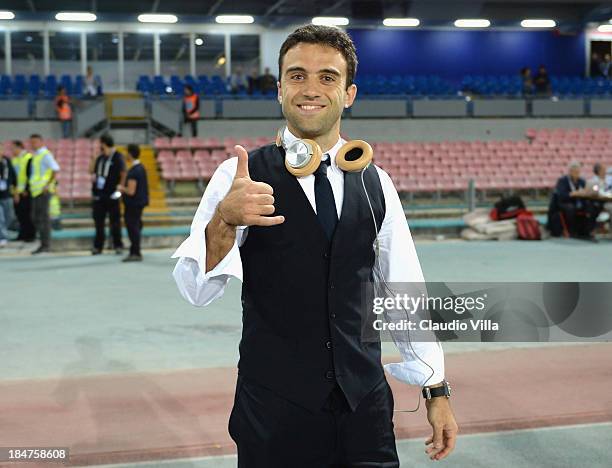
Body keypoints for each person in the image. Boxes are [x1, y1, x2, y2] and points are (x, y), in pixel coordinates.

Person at [172, 24, 457, 466]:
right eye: (297, 75)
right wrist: (223, 222)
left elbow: (404, 291)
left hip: (364, 408)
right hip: (273, 409)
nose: (311, 89)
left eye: (328, 77)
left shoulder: (376, 183)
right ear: (280, 88)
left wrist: (435, 386)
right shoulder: (238, 177)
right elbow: (195, 291)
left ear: (349, 94)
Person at [91, 133, 126, 255]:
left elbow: (123, 172)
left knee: (115, 222)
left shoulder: (117, 156)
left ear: (104, 143)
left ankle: (118, 244)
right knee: (98, 223)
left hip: (111, 194)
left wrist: (119, 189)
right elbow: (91, 170)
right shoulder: (100, 158)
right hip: (99, 195)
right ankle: (98, 246)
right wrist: (95, 157)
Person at [547, 161, 599, 240]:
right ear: (570, 171)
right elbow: (561, 195)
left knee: (593, 207)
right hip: (565, 202)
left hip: (579, 202)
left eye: (578, 172)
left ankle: (587, 230)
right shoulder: (562, 181)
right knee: (570, 208)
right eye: (574, 171)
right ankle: (572, 230)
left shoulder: (581, 181)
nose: (576, 174)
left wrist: (586, 192)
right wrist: (573, 193)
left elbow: (586, 190)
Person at [29, 134, 60, 254]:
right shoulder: (36, 156)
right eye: (31, 142)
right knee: (36, 217)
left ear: (41, 142)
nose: (33, 144)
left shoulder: (45, 155)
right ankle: (43, 243)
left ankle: (46, 244)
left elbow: (55, 169)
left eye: (35, 142)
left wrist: (48, 184)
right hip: (36, 191)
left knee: (43, 218)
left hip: (43, 191)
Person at [118, 144, 149, 262]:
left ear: (130, 154)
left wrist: (121, 188)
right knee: (136, 226)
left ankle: (135, 251)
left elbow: (131, 191)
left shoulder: (133, 171)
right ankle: (134, 250)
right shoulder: (141, 168)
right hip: (139, 203)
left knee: (133, 227)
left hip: (132, 204)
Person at [10, 140, 36, 242]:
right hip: (17, 192)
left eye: (13, 148)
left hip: (25, 192)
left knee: (28, 215)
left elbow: (31, 175)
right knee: (20, 215)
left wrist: (27, 189)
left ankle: (30, 235)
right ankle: (22, 234)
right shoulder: (14, 160)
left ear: (19, 147)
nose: (12, 150)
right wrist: (15, 191)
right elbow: (13, 178)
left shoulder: (28, 158)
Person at [0, 144, 17, 247]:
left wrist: (15, 192)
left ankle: (4, 231)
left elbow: (13, 177)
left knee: (9, 216)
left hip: (6, 194)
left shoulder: (7, 161)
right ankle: (2, 237)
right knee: (0, 218)